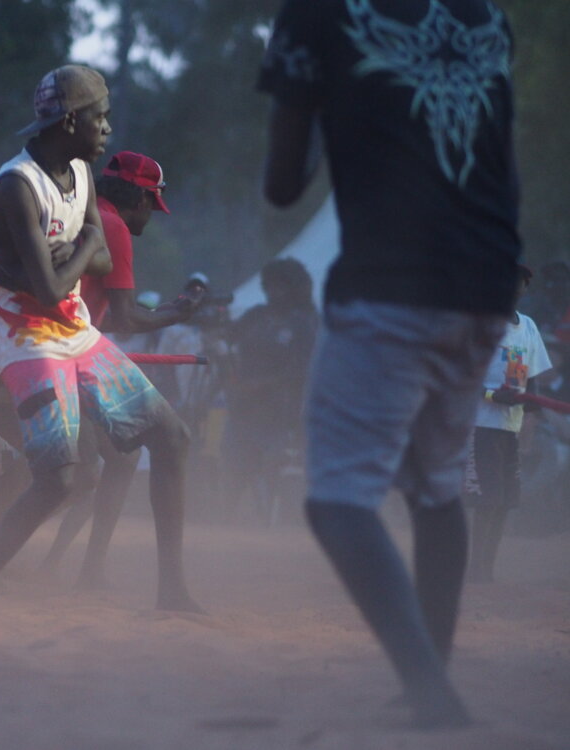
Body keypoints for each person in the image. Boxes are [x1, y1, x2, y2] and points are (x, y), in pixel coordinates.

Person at [259, 0, 520, 728]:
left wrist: (318, 109)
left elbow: (282, 184)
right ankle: (426, 681)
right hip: (489, 279)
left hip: (392, 282)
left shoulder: (316, 11)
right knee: (437, 489)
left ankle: (432, 694)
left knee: (337, 498)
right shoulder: (483, 13)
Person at [0, 64, 202, 617]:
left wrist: (78, 252)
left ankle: (173, 590)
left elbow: (92, 260)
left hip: (75, 330)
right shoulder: (17, 185)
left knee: (173, 437)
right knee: (60, 480)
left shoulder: (82, 169)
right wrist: (81, 248)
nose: (107, 129)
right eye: (99, 117)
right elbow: (52, 283)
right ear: (68, 120)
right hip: (25, 338)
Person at [42, 151, 202, 588]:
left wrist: (167, 310)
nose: (151, 214)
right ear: (137, 196)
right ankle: (167, 585)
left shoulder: (85, 217)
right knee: (171, 439)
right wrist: (176, 312)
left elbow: (104, 315)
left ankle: (87, 569)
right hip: (65, 349)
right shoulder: (113, 227)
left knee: (123, 455)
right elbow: (127, 320)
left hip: (51, 343)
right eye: (151, 203)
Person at [464, 265, 551, 582]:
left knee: (503, 502)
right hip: (482, 425)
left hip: (510, 428)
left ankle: (488, 568)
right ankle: (476, 569)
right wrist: (491, 396)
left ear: (525, 288)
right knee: (487, 500)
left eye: (519, 283)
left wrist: (531, 418)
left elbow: (533, 381)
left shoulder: (528, 327)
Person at [225, 258, 318, 523]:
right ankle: (226, 529)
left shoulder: (304, 323)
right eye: (268, 286)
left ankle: (278, 530)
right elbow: (227, 341)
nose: (272, 292)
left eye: (279, 286)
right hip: (242, 409)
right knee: (233, 470)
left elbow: (304, 369)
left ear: (293, 288)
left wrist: (262, 384)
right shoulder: (255, 314)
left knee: (277, 475)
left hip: (281, 414)